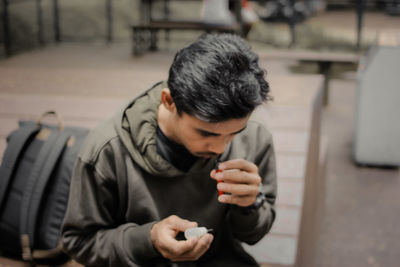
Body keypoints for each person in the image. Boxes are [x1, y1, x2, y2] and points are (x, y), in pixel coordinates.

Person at [61, 33, 277, 267]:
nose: (219, 148)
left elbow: (253, 235)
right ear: (169, 101)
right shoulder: (108, 149)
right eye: (206, 133)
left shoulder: (255, 136)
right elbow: (79, 242)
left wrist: (251, 204)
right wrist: (148, 240)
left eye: (234, 133)